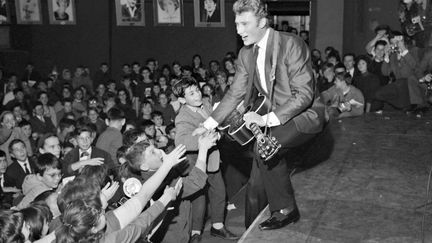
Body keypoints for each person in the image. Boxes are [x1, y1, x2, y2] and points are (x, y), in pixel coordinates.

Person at [194, 0, 326, 230]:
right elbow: (235, 93)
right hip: (271, 116)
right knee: (257, 180)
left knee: (265, 147)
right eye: (237, 24)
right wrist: (207, 125)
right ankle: (251, 229)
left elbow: (304, 95)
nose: (239, 30)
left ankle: (286, 209)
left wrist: (265, 120)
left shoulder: (291, 44)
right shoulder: (246, 54)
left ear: (263, 22)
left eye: (245, 23)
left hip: (305, 115)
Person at [173, 77, 238, 241]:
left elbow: (217, 125)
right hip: (196, 162)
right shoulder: (183, 117)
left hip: (212, 159)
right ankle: (195, 232)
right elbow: (181, 141)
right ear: (182, 99)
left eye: (197, 90)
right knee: (199, 198)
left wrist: (218, 133)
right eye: (191, 93)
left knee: (219, 192)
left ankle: (217, 226)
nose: (197, 95)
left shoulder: (206, 105)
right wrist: (202, 140)